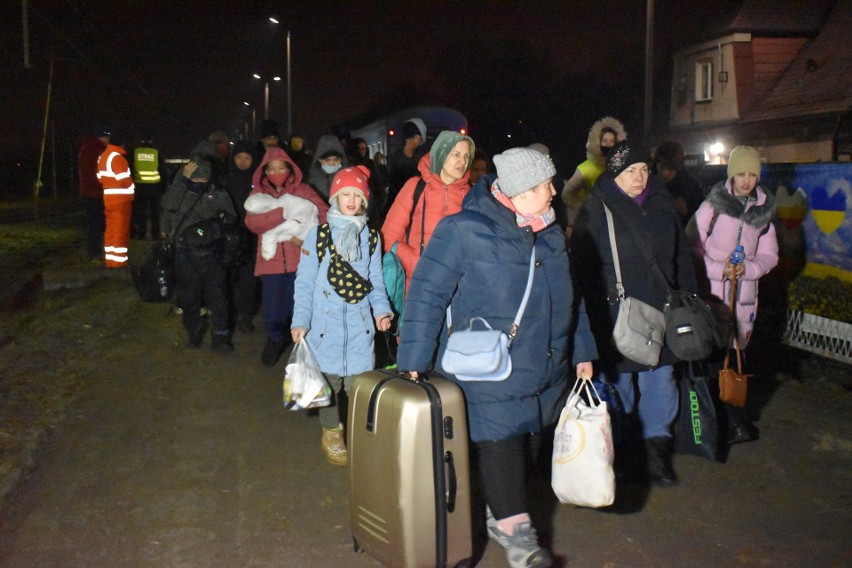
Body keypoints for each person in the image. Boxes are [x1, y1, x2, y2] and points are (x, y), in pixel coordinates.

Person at [397, 147, 596, 568]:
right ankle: (515, 532)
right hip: (488, 368)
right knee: (500, 442)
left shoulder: (552, 233)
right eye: (545, 184)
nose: (553, 191)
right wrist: (413, 357)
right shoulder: (463, 231)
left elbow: (570, 301)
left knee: (525, 452)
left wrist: (583, 351)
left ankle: (498, 512)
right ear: (520, 190)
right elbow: (427, 294)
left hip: (545, 368)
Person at [571, 140, 698, 486]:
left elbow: (681, 257)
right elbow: (581, 268)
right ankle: (622, 452)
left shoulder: (663, 204)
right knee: (619, 383)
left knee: (661, 381)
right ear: (614, 174)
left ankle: (656, 451)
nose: (640, 177)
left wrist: (689, 298)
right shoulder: (596, 209)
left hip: (663, 310)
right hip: (616, 314)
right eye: (631, 171)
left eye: (644, 169)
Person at [291, 166, 393, 465]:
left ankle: (360, 434)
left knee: (359, 388)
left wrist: (382, 310)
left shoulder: (372, 238)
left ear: (365, 200)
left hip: (360, 331)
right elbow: (305, 281)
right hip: (325, 330)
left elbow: (376, 281)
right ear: (335, 197)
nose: (351, 200)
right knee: (329, 388)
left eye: (357, 195)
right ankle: (331, 432)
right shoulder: (319, 236)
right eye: (345, 194)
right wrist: (301, 321)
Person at [691, 145, 778, 443]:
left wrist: (749, 270)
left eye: (753, 174)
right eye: (741, 173)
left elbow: (770, 256)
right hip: (713, 297)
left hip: (744, 300)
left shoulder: (764, 213)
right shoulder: (711, 208)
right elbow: (692, 248)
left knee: (738, 360)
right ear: (730, 174)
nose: (746, 180)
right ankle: (717, 422)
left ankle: (734, 422)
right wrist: (719, 269)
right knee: (714, 358)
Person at [245, 147, 329, 367]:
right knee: (274, 313)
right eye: (271, 168)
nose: (277, 172)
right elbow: (253, 223)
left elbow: (324, 216)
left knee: (302, 309)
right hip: (271, 265)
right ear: (263, 172)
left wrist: (308, 238)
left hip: (303, 262)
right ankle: (275, 340)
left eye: (281, 167)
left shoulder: (304, 190)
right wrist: (284, 212)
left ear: (290, 169)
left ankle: (304, 349)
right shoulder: (258, 195)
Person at [160, 150, 237, 351]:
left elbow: (232, 217)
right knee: (190, 297)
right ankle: (193, 332)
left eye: (205, 175)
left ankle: (221, 337)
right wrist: (182, 182)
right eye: (196, 175)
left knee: (218, 297)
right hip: (185, 253)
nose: (200, 179)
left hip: (213, 253)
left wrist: (222, 221)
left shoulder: (218, 192)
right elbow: (168, 205)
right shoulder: (180, 190)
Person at [381, 130, 475, 295]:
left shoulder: (472, 195)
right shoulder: (416, 187)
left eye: (466, 156)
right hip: (417, 286)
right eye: (456, 154)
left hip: (458, 290)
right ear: (440, 154)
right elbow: (388, 238)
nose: (462, 161)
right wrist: (417, 263)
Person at [561, 116, 626, 235]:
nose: (608, 145)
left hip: (617, 221)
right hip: (593, 224)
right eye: (604, 141)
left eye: (612, 142)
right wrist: (587, 209)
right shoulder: (586, 168)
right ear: (597, 142)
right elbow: (567, 194)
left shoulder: (622, 166)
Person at [222, 140, 260, 333]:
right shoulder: (226, 180)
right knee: (227, 277)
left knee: (248, 278)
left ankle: (246, 316)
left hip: (252, 237)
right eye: (239, 157)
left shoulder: (260, 181)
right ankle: (227, 314)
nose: (243, 161)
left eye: (247, 157)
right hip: (230, 237)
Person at [97, 133, 135, 268]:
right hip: (121, 200)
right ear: (121, 144)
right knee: (120, 230)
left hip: (108, 199)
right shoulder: (117, 158)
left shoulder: (102, 157)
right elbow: (124, 179)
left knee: (111, 230)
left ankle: (111, 261)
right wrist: (132, 187)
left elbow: (100, 178)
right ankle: (119, 262)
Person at [654, 140, 704, 226]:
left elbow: (703, 216)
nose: (665, 173)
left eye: (669, 169)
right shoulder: (647, 183)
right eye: (661, 167)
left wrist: (687, 211)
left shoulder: (690, 185)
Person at [385, 117, 428, 213]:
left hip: (413, 205)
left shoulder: (419, 157)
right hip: (399, 205)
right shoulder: (397, 158)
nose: (420, 142)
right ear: (414, 137)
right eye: (419, 139)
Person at [78, 128, 108, 263]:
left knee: (94, 224)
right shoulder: (97, 150)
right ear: (101, 137)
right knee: (96, 225)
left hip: (89, 192)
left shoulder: (85, 148)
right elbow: (99, 172)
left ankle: (95, 253)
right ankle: (94, 254)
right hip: (96, 193)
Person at [131, 134, 163, 240]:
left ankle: (141, 234)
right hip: (154, 187)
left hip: (140, 187)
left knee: (141, 212)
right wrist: (162, 188)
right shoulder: (156, 153)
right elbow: (162, 171)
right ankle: (155, 234)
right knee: (155, 213)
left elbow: (130, 169)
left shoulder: (135, 152)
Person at [307, 134, 348, 202]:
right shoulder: (310, 179)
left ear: (341, 160)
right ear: (319, 160)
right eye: (327, 160)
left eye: (336, 160)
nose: (332, 163)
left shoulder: (349, 176)